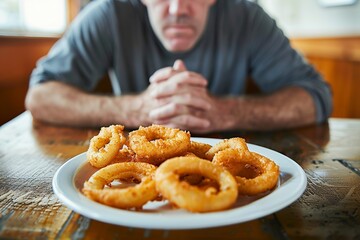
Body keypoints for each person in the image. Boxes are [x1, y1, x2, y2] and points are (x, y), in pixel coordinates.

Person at [25, 0, 332, 133]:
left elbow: (316, 97)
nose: (176, 9)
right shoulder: (109, 13)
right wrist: (135, 109)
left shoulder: (247, 17)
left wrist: (224, 112)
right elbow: (40, 96)